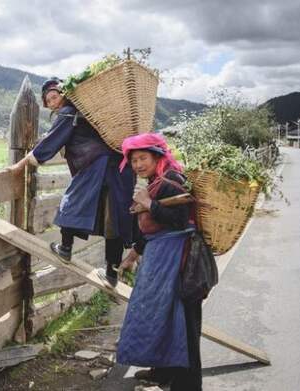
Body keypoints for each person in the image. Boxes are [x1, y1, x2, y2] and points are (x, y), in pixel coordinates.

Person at [8, 77, 135, 285]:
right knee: (113, 218)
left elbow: (49, 143)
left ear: (64, 95)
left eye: (54, 96)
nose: (52, 102)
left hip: (96, 165)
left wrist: (20, 165)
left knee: (72, 202)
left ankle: (65, 249)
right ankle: (111, 273)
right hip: (118, 168)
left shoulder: (68, 113)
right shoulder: (87, 113)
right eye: (48, 100)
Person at [115, 133, 202, 390]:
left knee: (182, 321)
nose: (138, 165)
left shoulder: (172, 180)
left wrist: (148, 204)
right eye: (133, 161)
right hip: (159, 258)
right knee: (159, 316)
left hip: (178, 260)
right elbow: (152, 230)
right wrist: (133, 254)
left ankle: (187, 385)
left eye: (143, 158)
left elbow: (179, 220)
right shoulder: (156, 181)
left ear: (157, 157)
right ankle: (162, 373)